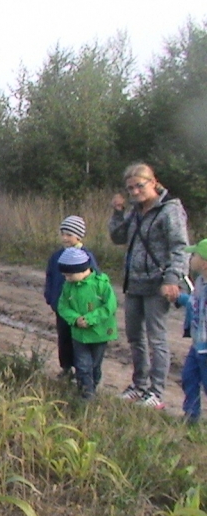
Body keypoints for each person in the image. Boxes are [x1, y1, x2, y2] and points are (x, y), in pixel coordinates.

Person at [109, 162, 189, 409]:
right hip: (134, 283)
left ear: (153, 182)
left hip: (158, 284)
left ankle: (156, 392)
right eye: (130, 188)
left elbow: (180, 248)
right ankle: (139, 386)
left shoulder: (170, 210)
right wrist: (118, 212)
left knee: (157, 339)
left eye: (139, 186)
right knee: (135, 337)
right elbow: (118, 237)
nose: (135, 192)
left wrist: (172, 279)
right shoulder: (135, 211)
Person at [56, 247, 118, 400]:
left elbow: (110, 306)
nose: (67, 278)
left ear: (82, 270)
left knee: (95, 365)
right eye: (65, 275)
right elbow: (62, 306)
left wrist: (90, 319)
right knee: (82, 365)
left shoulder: (101, 284)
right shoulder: (68, 286)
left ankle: (92, 388)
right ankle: (86, 394)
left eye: (69, 275)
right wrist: (75, 319)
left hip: (99, 334)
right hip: (79, 335)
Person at [44, 216, 99, 380]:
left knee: (80, 340)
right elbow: (50, 276)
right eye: (63, 234)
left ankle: (82, 371)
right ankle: (66, 367)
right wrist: (50, 296)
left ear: (79, 236)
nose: (65, 238)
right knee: (64, 337)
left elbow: (96, 279)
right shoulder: (56, 256)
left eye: (69, 235)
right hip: (62, 307)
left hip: (81, 308)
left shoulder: (86, 256)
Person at [179, 239, 207, 424]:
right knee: (189, 377)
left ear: (204, 263)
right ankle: (191, 415)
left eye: (195, 255)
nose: (191, 258)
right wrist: (180, 298)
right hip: (197, 343)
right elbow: (194, 303)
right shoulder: (199, 281)